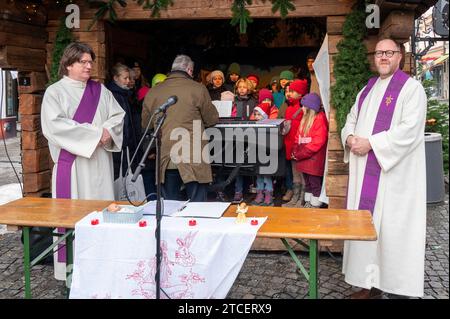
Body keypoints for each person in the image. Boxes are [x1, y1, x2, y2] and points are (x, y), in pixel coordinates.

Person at [341, 39, 427, 298]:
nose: (384, 57)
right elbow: (351, 119)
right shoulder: (366, 89)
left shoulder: (411, 90)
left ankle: (395, 286)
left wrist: (371, 144)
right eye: (379, 53)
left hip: (394, 178)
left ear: (399, 56)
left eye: (389, 52)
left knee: (391, 231)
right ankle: (368, 285)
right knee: (366, 228)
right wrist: (349, 138)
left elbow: (409, 131)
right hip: (364, 171)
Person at [41, 42, 125, 280]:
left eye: (90, 61)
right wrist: (97, 134)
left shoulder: (100, 91)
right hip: (73, 167)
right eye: (83, 62)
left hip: (101, 164)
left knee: (102, 213)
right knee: (74, 217)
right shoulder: (54, 92)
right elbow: (55, 126)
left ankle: (105, 266)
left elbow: (117, 115)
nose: (89, 66)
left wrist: (108, 130)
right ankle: (73, 271)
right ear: (68, 64)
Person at [142, 54, 219, 202]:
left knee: (170, 207)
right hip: (193, 156)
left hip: (166, 155)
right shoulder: (198, 89)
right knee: (197, 207)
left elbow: (146, 125)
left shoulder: (153, 92)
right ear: (189, 70)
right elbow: (212, 119)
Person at [291, 93, 328, 208]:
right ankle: (309, 201)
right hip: (304, 157)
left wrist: (301, 153)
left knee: (314, 183)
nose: (302, 108)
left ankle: (315, 204)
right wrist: (295, 149)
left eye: (304, 106)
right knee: (307, 182)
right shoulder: (304, 120)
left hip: (313, 159)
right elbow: (298, 137)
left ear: (310, 108)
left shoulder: (319, 119)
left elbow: (318, 141)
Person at [106, 63, 142, 180]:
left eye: (129, 78)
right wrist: (126, 143)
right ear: (116, 78)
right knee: (119, 176)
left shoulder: (125, 94)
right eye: (125, 78)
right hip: (121, 145)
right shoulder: (113, 95)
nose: (128, 81)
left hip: (126, 145)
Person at [281, 79, 308, 208]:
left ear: (301, 94)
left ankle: (302, 199)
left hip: (299, 145)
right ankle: (295, 197)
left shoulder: (303, 109)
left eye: (293, 91)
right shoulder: (289, 107)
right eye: (289, 91)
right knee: (294, 172)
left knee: (301, 171)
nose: (290, 93)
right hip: (289, 144)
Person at [250, 106, 275, 206]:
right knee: (258, 176)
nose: (256, 117)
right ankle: (259, 195)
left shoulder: (269, 126)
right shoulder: (254, 126)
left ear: (264, 115)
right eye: (255, 114)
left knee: (267, 176)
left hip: (266, 154)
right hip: (257, 154)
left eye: (259, 114)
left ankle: (268, 195)